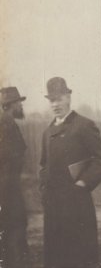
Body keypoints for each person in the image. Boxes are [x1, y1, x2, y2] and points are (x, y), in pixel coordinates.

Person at [39, 77, 101, 267]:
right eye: (51, 100)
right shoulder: (47, 132)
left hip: (76, 203)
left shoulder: (83, 125)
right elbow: (43, 165)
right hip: (53, 205)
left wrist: (83, 183)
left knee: (78, 256)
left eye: (59, 98)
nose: (55, 104)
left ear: (68, 98)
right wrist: (43, 189)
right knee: (56, 257)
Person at [0, 86, 28, 267]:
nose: (21, 106)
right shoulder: (6, 123)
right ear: (12, 104)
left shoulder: (7, 121)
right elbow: (9, 156)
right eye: (19, 102)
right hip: (8, 188)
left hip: (8, 185)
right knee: (15, 228)